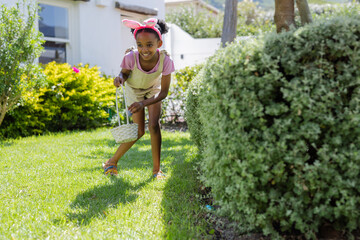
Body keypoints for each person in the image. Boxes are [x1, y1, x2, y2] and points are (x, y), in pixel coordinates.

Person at [103, 18, 175, 179]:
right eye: (140, 45)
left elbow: (163, 93)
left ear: (159, 44)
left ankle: (157, 170)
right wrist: (120, 78)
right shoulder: (130, 57)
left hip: (153, 91)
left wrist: (143, 103)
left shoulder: (166, 61)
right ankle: (111, 162)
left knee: (154, 126)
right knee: (139, 131)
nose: (144, 49)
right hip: (134, 90)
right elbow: (125, 73)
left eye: (149, 45)